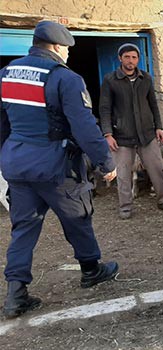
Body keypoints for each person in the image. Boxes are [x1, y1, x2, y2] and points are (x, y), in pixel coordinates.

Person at [0, 21, 119, 318]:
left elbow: (2, 124)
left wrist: (5, 157)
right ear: (54, 47)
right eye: (65, 48)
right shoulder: (65, 78)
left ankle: (16, 294)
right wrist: (105, 161)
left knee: (23, 228)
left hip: (17, 165)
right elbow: (84, 126)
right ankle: (91, 270)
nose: (66, 54)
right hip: (55, 166)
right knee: (78, 217)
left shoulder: (7, 73)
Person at [99, 43, 163, 219]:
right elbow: (104, 108)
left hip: (147, 133)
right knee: (124, 173)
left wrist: (158, 127)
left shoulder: (145, 78)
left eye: (134, 57)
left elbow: (153, 105)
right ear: (120, 58)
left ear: (138, 60)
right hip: (122, 135)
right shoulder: (111, 80)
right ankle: (125, 207)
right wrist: (108, 134)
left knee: (156, 168)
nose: (130, 60)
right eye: (127, 57)